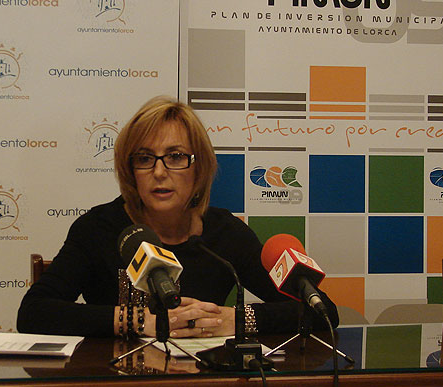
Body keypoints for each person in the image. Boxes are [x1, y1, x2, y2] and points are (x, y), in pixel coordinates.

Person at [17, 96, 338, 338]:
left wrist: (236, 319)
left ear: (199, 167)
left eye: (175, 157)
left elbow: (323, 312)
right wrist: (142, 321)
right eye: (145, 158)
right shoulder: (98, 229)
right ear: (130, 170)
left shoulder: (225, 234)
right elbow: (34, 313)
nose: (159, 172)